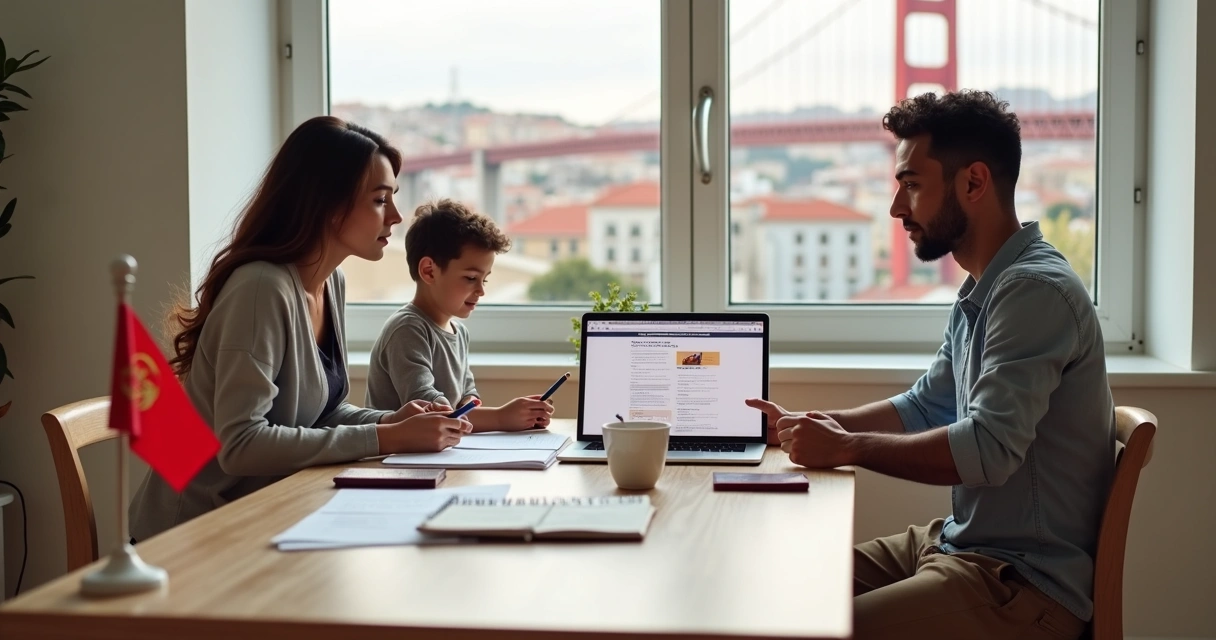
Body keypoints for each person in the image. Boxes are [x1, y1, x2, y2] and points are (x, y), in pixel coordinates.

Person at [747, 90, 1113, 640]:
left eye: (912, 185)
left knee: (810, 627)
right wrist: (811, 425)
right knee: (778, 589)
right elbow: (926, 405)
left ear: (973, 183)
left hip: (1020, 586)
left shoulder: (1032, 291)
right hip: (960, 544)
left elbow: (988, 451)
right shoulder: (984, 289)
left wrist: (846, 448)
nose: (896, 208)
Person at [129, 116, 472, 542]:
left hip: (269, 513)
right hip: (195, 533)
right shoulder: (261, 288)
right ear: (329, 205)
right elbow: (242, 444)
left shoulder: (331, 284)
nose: (397, 217)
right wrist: (384, 437)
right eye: (381, 200)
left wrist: (392, 420)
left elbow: (322, 414)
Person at [365, 199, 554, 431]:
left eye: (484, 279)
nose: (481, 290)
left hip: (441, 452)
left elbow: (467, 395)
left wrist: (517, 414)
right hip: (396, 460)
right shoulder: (407, 329)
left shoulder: (459, 333)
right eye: (471, 278)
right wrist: (501, 417)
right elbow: (429, 408)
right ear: (429, 271)